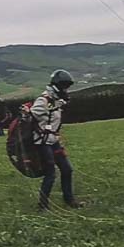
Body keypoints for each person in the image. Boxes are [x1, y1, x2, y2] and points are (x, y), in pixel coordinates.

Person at [30, 69, 83, 211]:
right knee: (50, 173)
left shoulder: (56, 100)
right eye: (64, 87)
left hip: (53, 141)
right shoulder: (43, 100)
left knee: (67, 170)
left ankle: (69, 200)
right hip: (42, 142)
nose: (66, 90)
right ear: (57, 86)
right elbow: (31, 117)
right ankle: (42, 205)